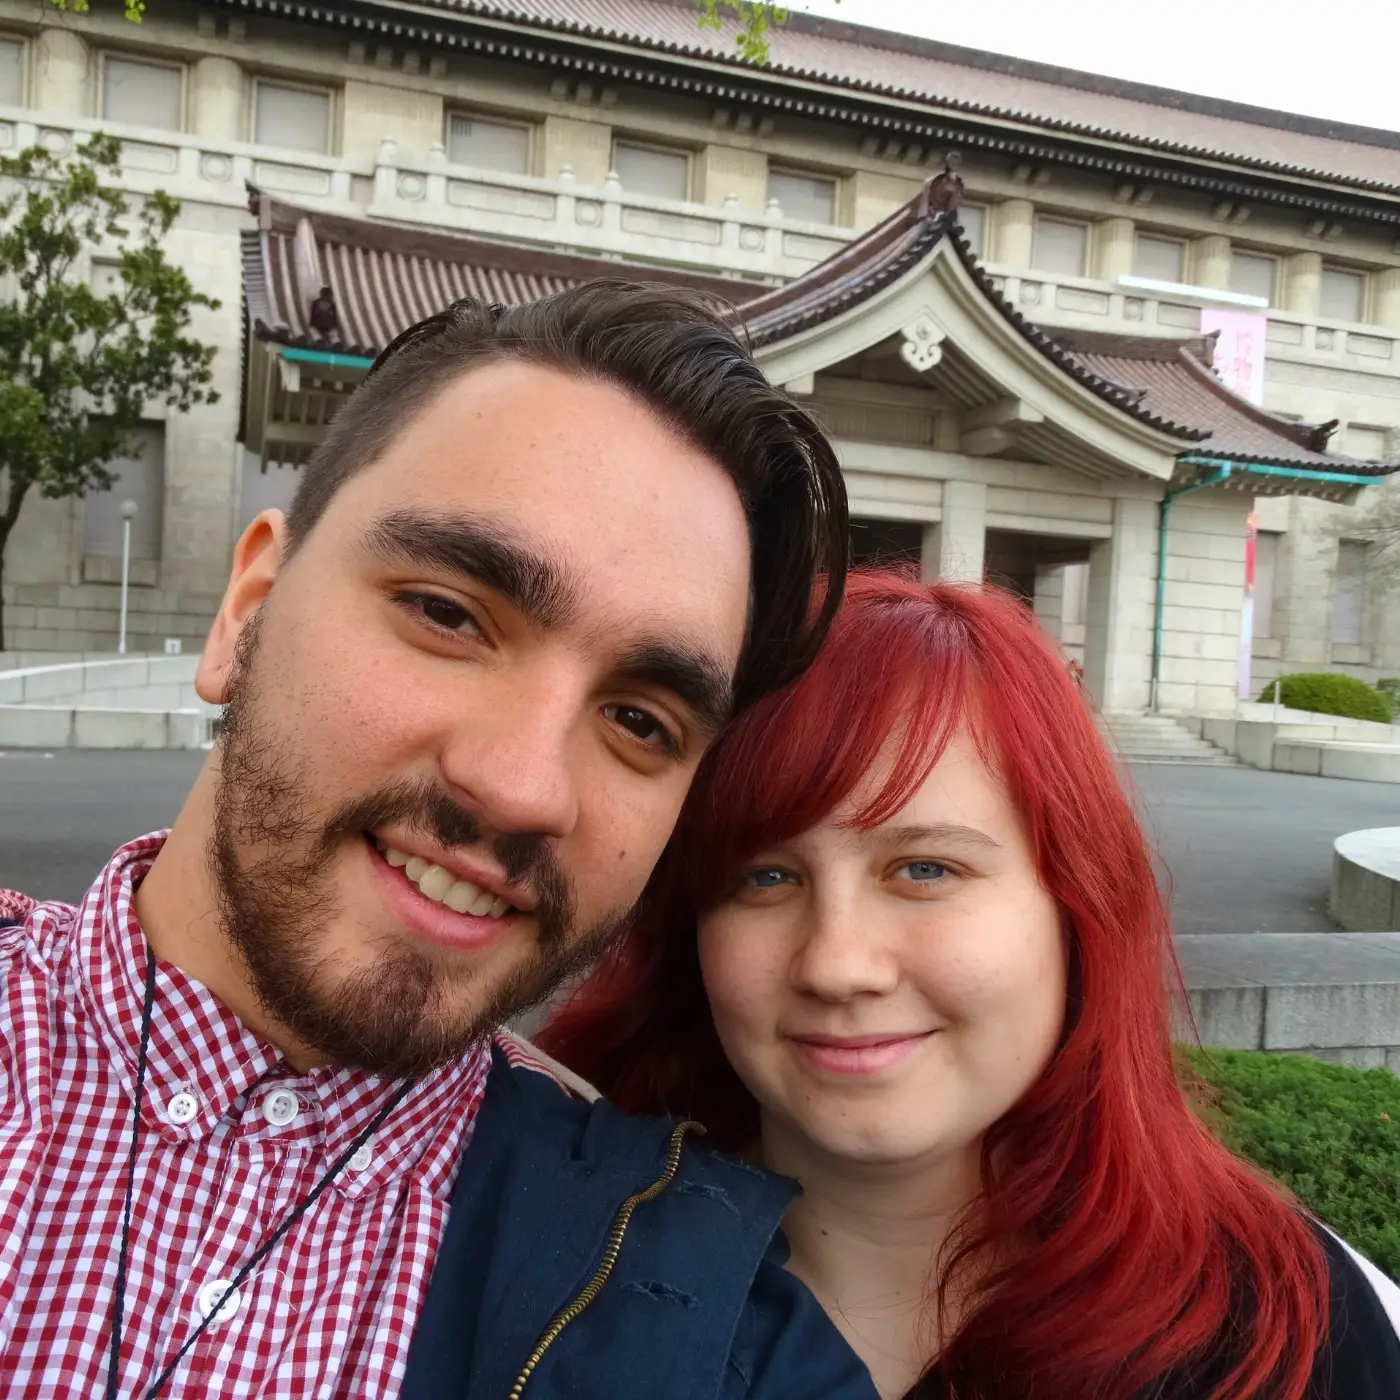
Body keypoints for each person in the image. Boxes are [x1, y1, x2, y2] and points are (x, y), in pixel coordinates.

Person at [0, 284, 877, 1400]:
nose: (520, 787)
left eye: (639, 720)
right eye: (448, 614)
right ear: (245, 613)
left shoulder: (719, 1341)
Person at [542, 571, 1400, 1400]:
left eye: (924, 868)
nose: (837, 964)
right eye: (764, 879)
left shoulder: (1284, 1335)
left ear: (1075, 908)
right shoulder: (545, 1265)